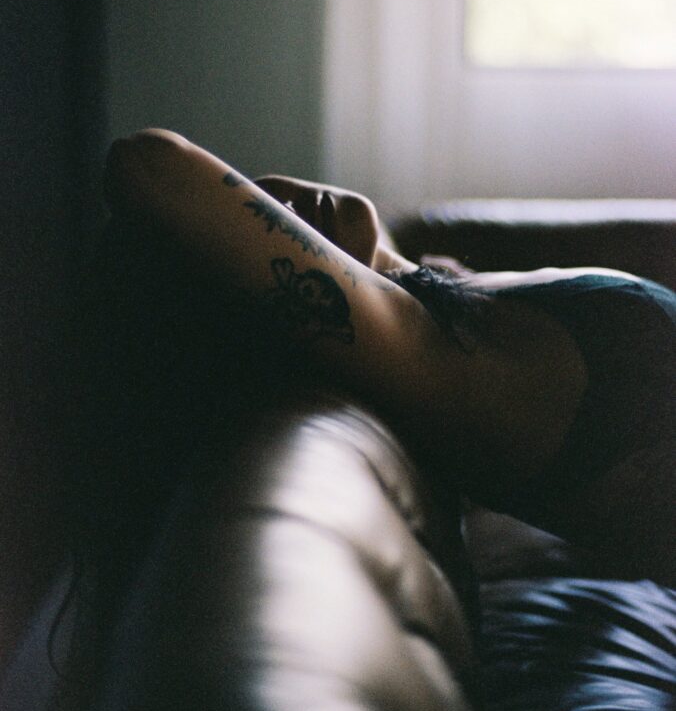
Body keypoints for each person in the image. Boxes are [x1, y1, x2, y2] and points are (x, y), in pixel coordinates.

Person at [102, 128, 676, 590]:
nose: (277, 208)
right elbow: (151, 164)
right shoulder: (443, 362)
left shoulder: (441, 293)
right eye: (263, 231)